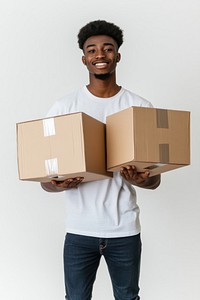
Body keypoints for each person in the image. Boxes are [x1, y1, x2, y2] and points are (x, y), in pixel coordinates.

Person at [41, 20, 161, 300]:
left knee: (128, 297)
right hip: (79, 230)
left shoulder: (139, 107)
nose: (100, 55)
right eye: (92, 50)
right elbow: (45, 179)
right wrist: (57, 185)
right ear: (84, 58)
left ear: (117, 56)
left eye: (108, 49)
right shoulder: (63, 108)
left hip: (125, 230)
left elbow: (154, 181)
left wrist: (140, 179)